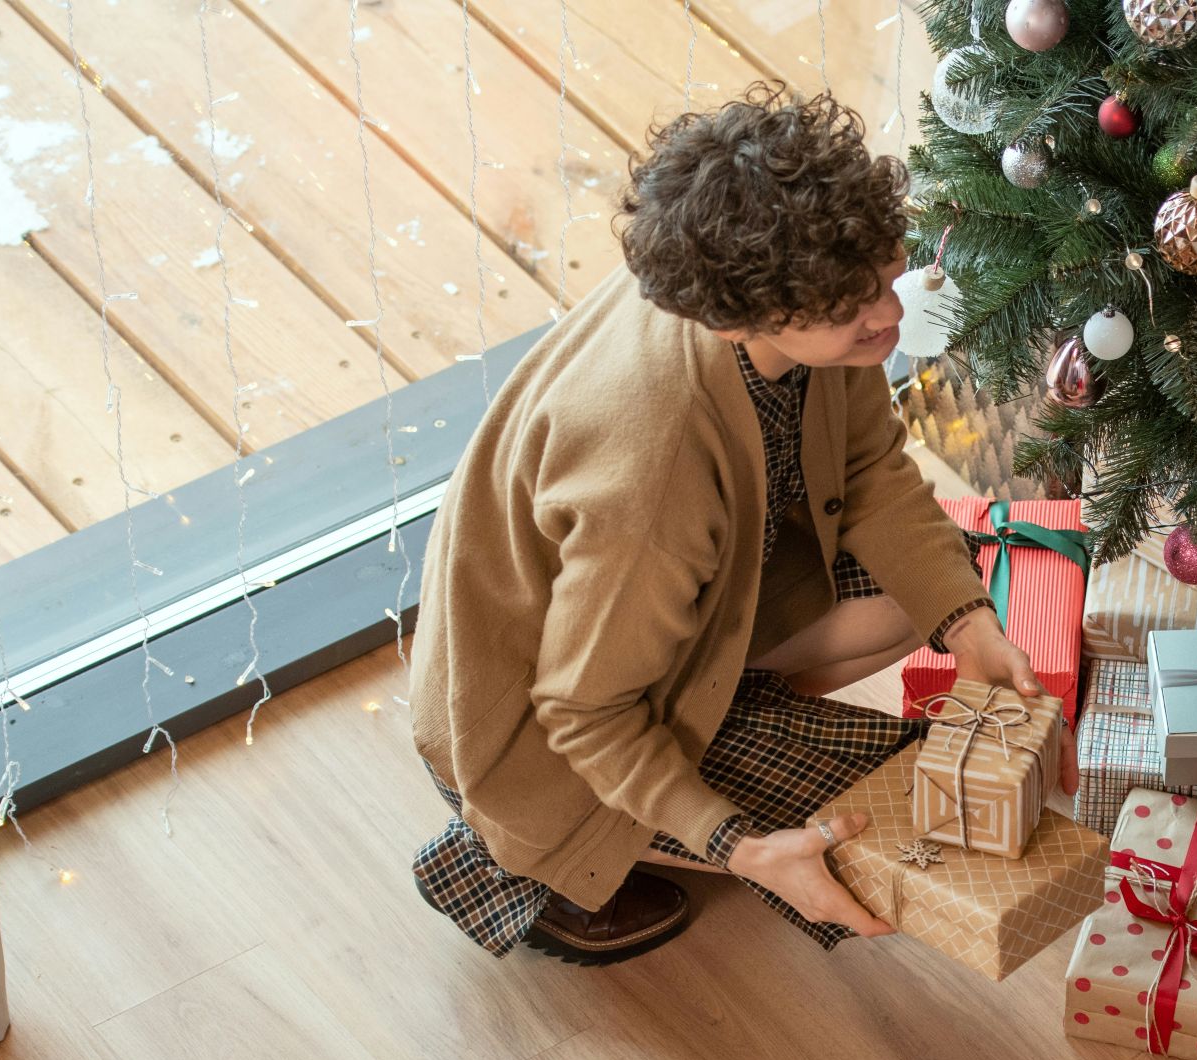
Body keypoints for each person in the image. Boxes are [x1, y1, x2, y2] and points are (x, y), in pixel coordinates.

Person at [407, 84, 1040, 965]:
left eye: (886, 278)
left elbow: (866, 469)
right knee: (878, 821)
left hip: (653, 618)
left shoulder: (804, 295)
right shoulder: (652, 469)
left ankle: (713, 725)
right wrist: (742, 848)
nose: (889, 316)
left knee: (929, 592)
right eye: (854, 309)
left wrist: (967, 628)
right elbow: (583, 712)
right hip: (537, 726)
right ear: (737, 316)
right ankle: (544, 864)